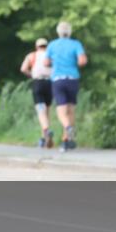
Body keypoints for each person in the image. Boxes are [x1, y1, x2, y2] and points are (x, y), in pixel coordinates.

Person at [44, 21, 87, 152]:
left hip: (58, 79)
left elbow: (46, 62)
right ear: (70, 32)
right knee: (71, 110)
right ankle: (67, 140)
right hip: (73, 78)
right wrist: (72, 63)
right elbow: (82, 61)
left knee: (61, 111)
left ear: (58, 32)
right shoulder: (76, 44)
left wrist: (56, 61)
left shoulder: (52, 45)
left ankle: (68, 129)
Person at [21, 38, 53, 148]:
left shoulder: (32, 55)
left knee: (40, 110)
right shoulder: (51, 55)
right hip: (50, 83)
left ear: (36, 46)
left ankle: (46, 130)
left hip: (38, 82)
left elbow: (23, 69)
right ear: (47, 46)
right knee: (47, 111)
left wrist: (32, 74)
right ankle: (44, 138)